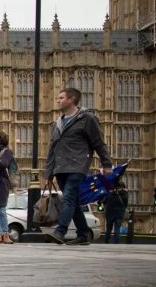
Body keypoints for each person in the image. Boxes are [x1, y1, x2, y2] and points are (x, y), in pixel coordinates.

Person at [44, 88, 113, 246]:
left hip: (77, 165)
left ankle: (60, 231)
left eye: (61, 97)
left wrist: (106, 163)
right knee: (73, 201)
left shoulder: (87, 118)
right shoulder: (59, 122)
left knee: (68, 197)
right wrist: (49, 172)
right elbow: (53, 148)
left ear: (72, 99)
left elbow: (98, 142)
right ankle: (83, 234)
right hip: (60, 167)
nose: (58, 100)